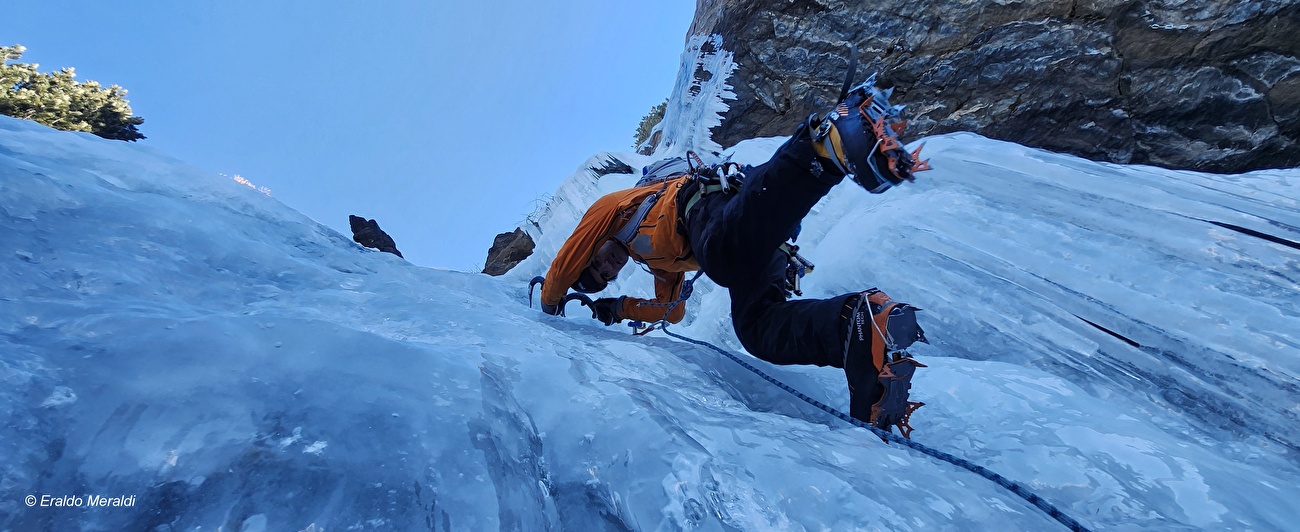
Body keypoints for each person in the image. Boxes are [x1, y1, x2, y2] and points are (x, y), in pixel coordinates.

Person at [537, 77, 931, 435]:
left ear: (593, 249)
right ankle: (859, 328)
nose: (609, 266)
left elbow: (565, 261)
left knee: (722, 258)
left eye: (599, 262)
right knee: (757, 330)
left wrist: (550, 306)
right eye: (607, 273)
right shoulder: (654, 261)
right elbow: (670, 310)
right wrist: (620, 307)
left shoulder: (615, 207)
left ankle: (822, 146)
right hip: (747, 236)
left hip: (704, 204)